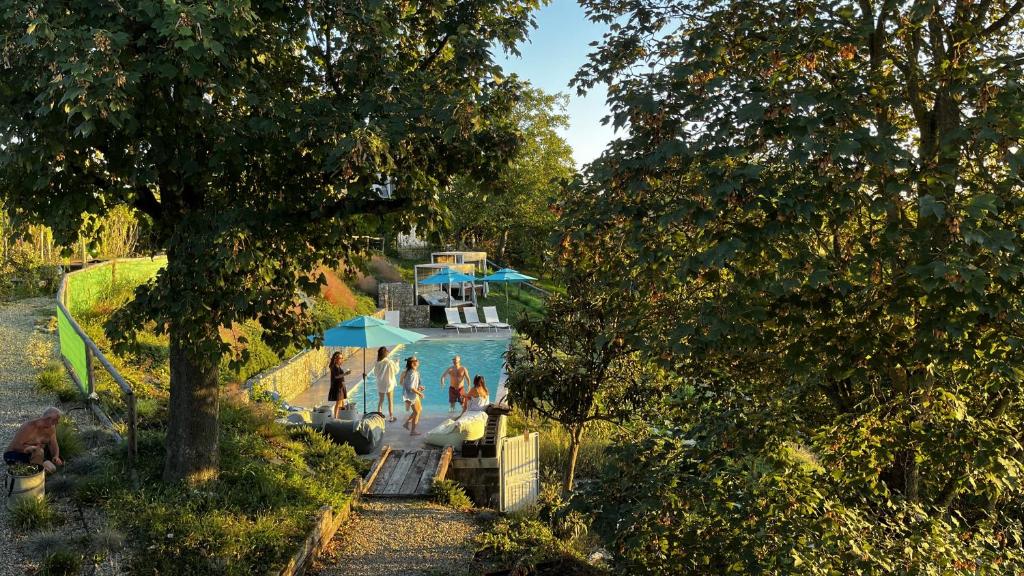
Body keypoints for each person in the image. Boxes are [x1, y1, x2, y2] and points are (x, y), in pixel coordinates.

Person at [4, 407, 63, 473]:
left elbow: (53, 444)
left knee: (53, 468)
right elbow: (16, 446)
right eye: (55, 420)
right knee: (44, 462)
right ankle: (34, 472)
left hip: (36, 455)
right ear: (47, 418)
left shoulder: (51, 428)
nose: (57, 422)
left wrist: (56, 456)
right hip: (14, 454)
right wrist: (33, 449)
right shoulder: (29, 427)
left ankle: (37, 469)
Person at [399, 357, 425, 435]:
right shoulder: (412, 373)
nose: (418, 361)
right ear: (413, 363)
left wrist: (418, 388)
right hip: (411, 395)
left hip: (410, 394)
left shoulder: (410, 371)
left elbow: (403, 383)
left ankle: (407, 423)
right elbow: (411, 387)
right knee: (417, 412)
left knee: (419, 409)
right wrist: (420, 393)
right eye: (416, 360)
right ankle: (413, 431)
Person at [373, 346, 399, 422]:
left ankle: (379, 416)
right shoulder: (389, 362)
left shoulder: (377, 363)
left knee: (381, 400)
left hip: (380, 383)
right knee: (390, 400)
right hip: (389, 383)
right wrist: (397, 363)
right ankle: (391, 417)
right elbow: (396, 371)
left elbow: (375, 373)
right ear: (385, 353)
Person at [328, 352, 350, 419]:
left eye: (342, 358)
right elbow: (336, 376)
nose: (342, 359)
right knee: (338, 403)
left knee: (341, 402)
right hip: (337, 387)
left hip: (340, 386)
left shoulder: (337, 366)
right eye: (340, 358)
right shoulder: (334, 367)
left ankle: (341, 416)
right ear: (336, 359)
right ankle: (336, 417)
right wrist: (345, 374)